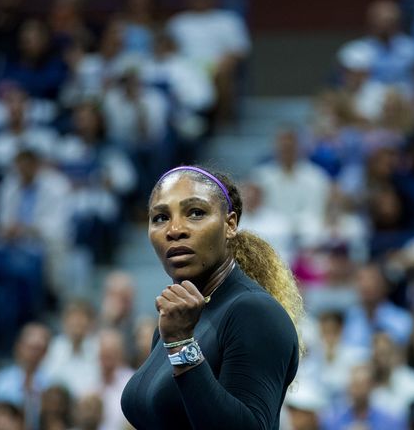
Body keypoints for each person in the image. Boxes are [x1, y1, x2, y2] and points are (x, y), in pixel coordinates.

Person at [121, 166, 303, 429]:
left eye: (195, 213)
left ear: (230, 225)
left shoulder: (254, 312)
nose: (174, 229)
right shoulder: (175, 322)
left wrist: (182, 344)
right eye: (160, 217)